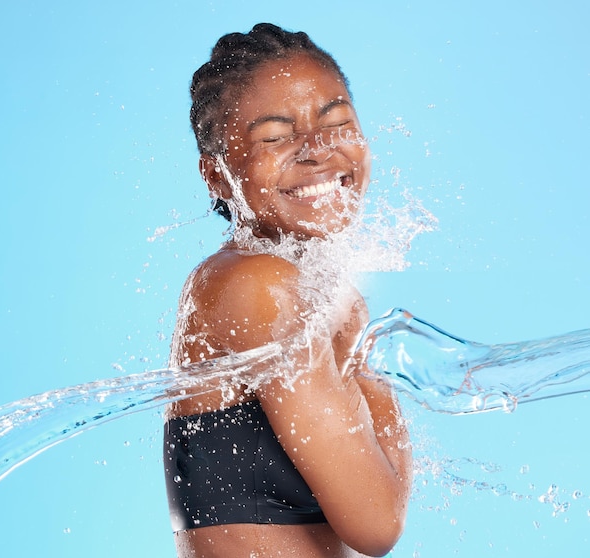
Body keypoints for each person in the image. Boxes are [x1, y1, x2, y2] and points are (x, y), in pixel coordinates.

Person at [163, 23, 413, 558]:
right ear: (217, 176)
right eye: (276, 137)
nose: (319, 150)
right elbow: (377, 523)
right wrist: (381, 367)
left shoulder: (297, 283)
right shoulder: (256, 284)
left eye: (338, 122)